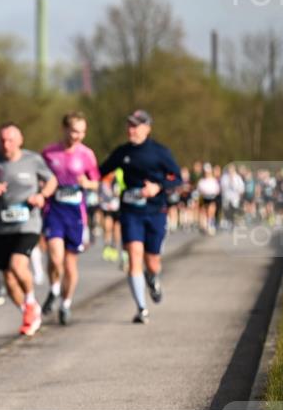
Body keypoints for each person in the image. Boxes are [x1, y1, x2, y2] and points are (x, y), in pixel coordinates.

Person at [0, 123, 57, 336]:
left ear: (20, 140)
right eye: (2, 140)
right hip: (0, 226)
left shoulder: (33, 160)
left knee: (17, 264)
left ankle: (30, 301)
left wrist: (42, 195)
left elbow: (51, 180)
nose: (6, 144)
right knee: (8, 279)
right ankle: (28, 312)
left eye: (10, 140)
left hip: (28, 223)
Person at [99, 110, 182, 324]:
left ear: (147, 128)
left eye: (136, 126)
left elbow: (177, 179)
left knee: (152, 261)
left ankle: (152, 278)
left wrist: (159, 187)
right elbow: (100, 171)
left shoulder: (160, 152)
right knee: (134, 255)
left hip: (155, 211)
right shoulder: (122, 152)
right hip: (130, 211)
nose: (131, 130)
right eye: (129, 125)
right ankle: (141, 308)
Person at [40, 112, 101, 325]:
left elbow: (97, 182)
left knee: (70, 264)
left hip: (76, 213)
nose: (78, 136)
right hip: (54, 210)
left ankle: (66, 304)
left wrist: (87, 184)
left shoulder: (87, 154)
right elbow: (38, 177)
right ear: (64, 129)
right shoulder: (48, 153)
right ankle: (54, 289)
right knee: (55, 257)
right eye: (74, 131)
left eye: (82, 132)